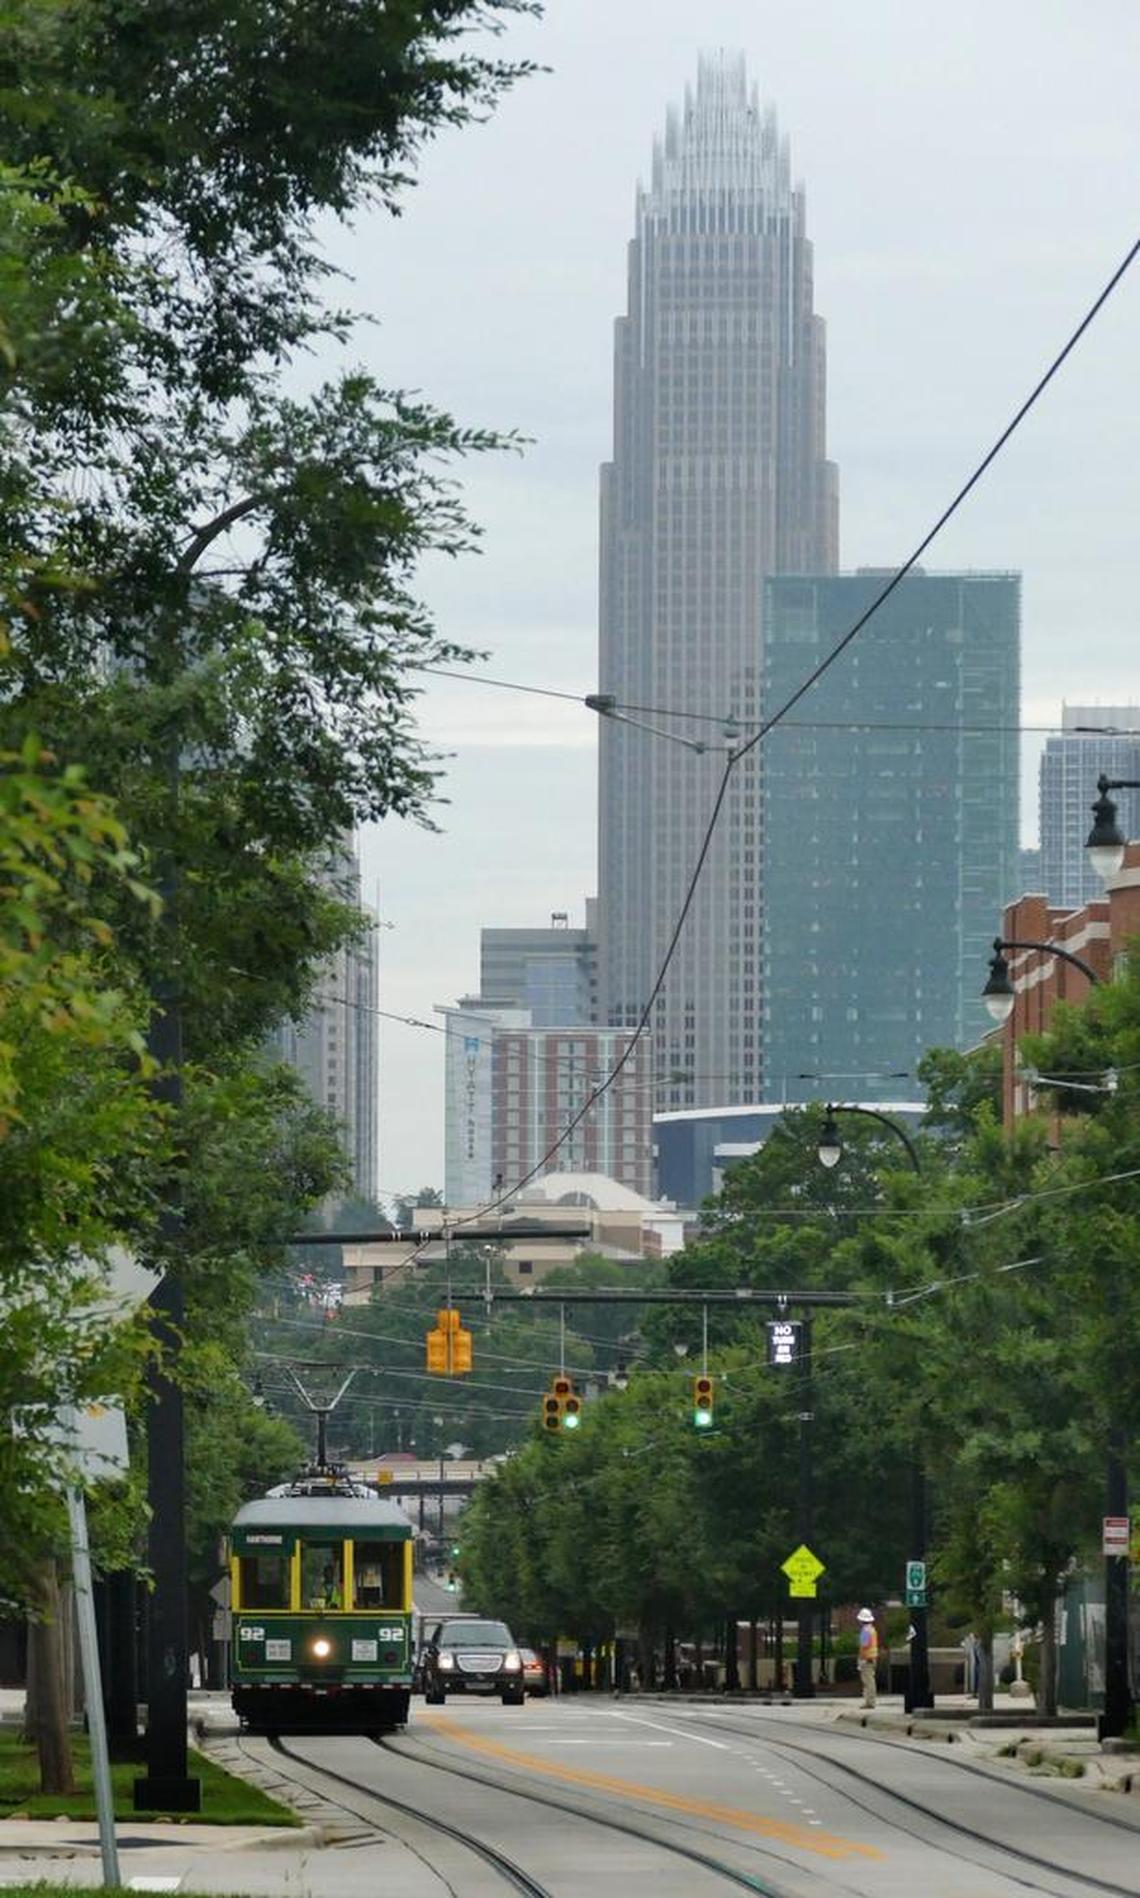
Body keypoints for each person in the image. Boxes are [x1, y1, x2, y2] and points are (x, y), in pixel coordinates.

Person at [857, 1607, 879, 1708]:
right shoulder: (872, 1629)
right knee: (870, 1680)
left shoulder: (865, 1631)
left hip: (866, 1659)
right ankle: (870, 1701)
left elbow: (863, 1646)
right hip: (872, 1658)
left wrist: (860, 1660)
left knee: (868, 1681)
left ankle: (869, 1702)